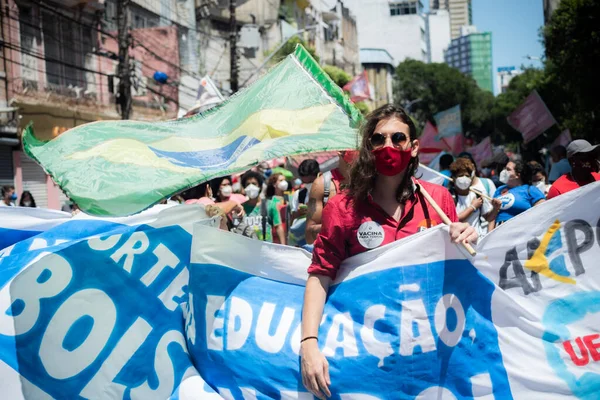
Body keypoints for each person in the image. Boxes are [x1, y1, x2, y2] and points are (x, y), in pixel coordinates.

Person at [300, 105, 477, 399]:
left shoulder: (439, 200)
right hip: (368, 362)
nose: (389, 146)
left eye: (398, 138)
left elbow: (460, 276)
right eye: (379, 139)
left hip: (431, 359)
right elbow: (320, 275)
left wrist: (469, 241)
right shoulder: (342, 208)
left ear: (414, 147)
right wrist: (308, 343)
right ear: (368, 148)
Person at [304, 150, 358, 245]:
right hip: (334, 256)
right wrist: (339, 227)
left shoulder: (374, 182)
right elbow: (309, 235)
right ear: (341, 151)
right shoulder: (322, 184)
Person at [449, 158, 501, 236]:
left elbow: (488, 218)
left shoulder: (477, 195)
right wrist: (472, 207)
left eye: (467, 175)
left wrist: (495, 208)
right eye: (460, 175)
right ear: (454, 178)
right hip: (458, 241)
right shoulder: (450, 196)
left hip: (476, 241)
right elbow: (453, 219)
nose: (464, 178)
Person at [492, 160, 545, 227]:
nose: (504, 171)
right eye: (505, 168)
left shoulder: (530, 190)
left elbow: (542, 212)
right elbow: (491, 218)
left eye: (508, 169)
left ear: (517, 175)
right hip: (499, 232)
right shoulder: (499, 190)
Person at [240, 171, 284, 243]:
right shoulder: (241, 208)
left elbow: (278, 227)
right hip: (247, 249)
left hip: (265, 247)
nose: (251, 187)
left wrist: (283, 247)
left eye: (254, 184)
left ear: (259, 186)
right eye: (247, 184)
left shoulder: (270, 205)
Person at [288, 159, 320, 246]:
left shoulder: (328, 193)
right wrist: (298, 213)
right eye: (305, 182)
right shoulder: (299, 194)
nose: (308, 185)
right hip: (303, 242)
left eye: (310, 182)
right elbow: (291, 222)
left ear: (318, 176)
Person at [266, 173, 289, 244]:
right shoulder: (271, 201)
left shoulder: (290, 198)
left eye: (285, 180)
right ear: (274, 184)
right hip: (276, 234)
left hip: (289, 234)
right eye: (281, 180)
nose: (284, 182)